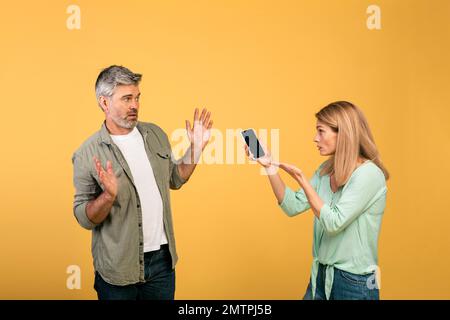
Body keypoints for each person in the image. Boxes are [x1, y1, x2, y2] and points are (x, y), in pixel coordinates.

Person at [72, 65, 213, 300]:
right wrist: (107, 196)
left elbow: (176, 178)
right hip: (118, 268)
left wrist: (196, 148)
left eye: (137, 97)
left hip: (162, 263)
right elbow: (84, 217)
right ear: (104, 103)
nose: (135, 105)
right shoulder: (87, 154)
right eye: (127, 98)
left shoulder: (155, 134)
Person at [246, 101, 388, 300]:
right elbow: (292, 205)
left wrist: (303, 180)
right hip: (320, 276)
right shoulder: (325, 170)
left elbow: (334, 223)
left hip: (355, 282)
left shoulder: (369, 175)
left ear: (344, 133)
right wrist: (269, 167)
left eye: (321, 131)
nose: (315, 138)